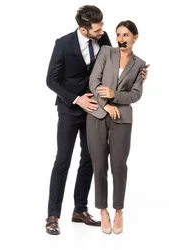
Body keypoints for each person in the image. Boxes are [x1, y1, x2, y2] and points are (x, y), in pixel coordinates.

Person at [45, 5, 111, 235]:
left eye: (102, 25)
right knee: (63, 159)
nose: (102, 30)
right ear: (83, 30)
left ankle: (79, 210)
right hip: (69, 109)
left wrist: (138, 72)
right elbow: (51, 80)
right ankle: (53, 215)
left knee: (91, 158)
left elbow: (112, 68)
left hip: (94, 109)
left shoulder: (103, 39)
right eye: (97, 28)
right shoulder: (63, 44)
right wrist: (76, 99)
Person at [86, 20, 147, 235]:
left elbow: (136, 94)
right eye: (118, 35)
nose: (121, 39)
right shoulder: (105, 52)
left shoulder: (140, 64)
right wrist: (106, 104)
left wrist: (114, 96)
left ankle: (118, 210)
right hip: (97, 115)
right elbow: (94, 82)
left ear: (135, 37)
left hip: (123, 118)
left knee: (119, 165)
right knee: (99, 165)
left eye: (126, 35)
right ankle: (103, 210)